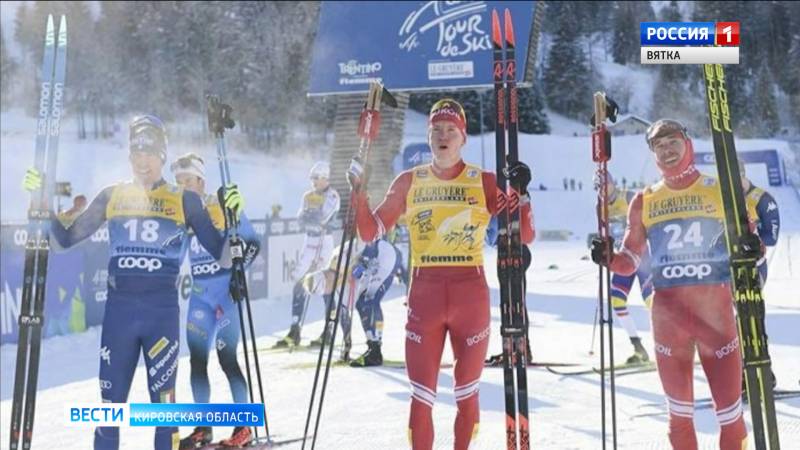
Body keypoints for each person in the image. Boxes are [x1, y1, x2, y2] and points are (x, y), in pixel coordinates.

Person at [22, 115, 244, 450]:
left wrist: (232, 216)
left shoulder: (184, 199)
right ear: (129, 155)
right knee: (109, 413)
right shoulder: (112, 195)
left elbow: (224, 256)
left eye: (150, 152)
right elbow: (62, 241)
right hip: (120, 317)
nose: (143, 160)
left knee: (164, 414)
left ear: (162, 156)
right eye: (137, 152)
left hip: (161, 317)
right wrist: (40, 203)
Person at [347, 98, 534, 450]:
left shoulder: (484, 181)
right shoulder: (409, 181)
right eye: (436, 130)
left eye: (451, 130)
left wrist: (521, 194)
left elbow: (523, 234)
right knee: (421, 396)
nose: (443, 136)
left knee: (466, 392)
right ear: (428, 136)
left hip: (470, 296)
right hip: (425, 296)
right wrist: (358, 192)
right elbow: (370, 231)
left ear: (463, 138)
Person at [590, 119, 755, 450]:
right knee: (679, 418)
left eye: (673, 142)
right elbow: (629, 260)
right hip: (669, 321)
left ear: (687, 143)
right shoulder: (645, 199)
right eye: (659, 146)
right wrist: (608, 256)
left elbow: (752, 241)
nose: (667, 150)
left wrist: (750, 245)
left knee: (730, 415)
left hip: (716, 317)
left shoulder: (719, 189)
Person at [170, 153, 260, 449]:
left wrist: (239, 275)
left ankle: (244, 426)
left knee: (227, 359)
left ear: (201, 181)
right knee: (197, 362)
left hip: (225, 297)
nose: (183, 186)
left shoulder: (220, 206)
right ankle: (202, 428)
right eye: (178, 181)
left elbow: (253, 243)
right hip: (199, 299)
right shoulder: (179, 213)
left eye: (188, 180)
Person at [273, 161, 341, 348]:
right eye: (312, 178)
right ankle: (295, 329)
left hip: (324, 242)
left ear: (325, 178)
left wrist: (311, 217)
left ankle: (329, 331)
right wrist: (311, 217)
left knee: (325, 285)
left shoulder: (333, 195)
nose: (313, 182)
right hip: (309, 241)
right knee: (299, 283)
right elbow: (300, 219)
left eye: (316, 178)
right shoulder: (307, 195)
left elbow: (322, 218)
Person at [593, 171, 653, 364]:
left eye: (605, 185)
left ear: (612, 183)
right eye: (598, 187)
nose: (602, 190)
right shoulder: (600, 207)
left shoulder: (628, 197)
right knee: (617, 300)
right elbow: (603, 233)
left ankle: (672, 345)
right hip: (622, 259)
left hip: (642, 256)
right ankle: (638, 348)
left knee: (652, 301)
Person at [739, 159, 780, 286]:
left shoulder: (763, 199)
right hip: (724, 265)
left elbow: (771, 238)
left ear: (742, 175)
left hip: (754, 265)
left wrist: (752, 236)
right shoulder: (719, 196)